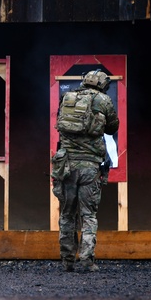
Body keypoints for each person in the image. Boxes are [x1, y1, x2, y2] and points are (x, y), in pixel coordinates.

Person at [51, 69, 120, 273]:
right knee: (88, 214)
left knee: (67, 213)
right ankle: (87, 260)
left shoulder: (68, 98)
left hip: (66, 166)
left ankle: (67, 260)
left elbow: (60, 124)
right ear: (101, 84)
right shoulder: (103, 100)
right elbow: (112, 128)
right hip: (89, 167)